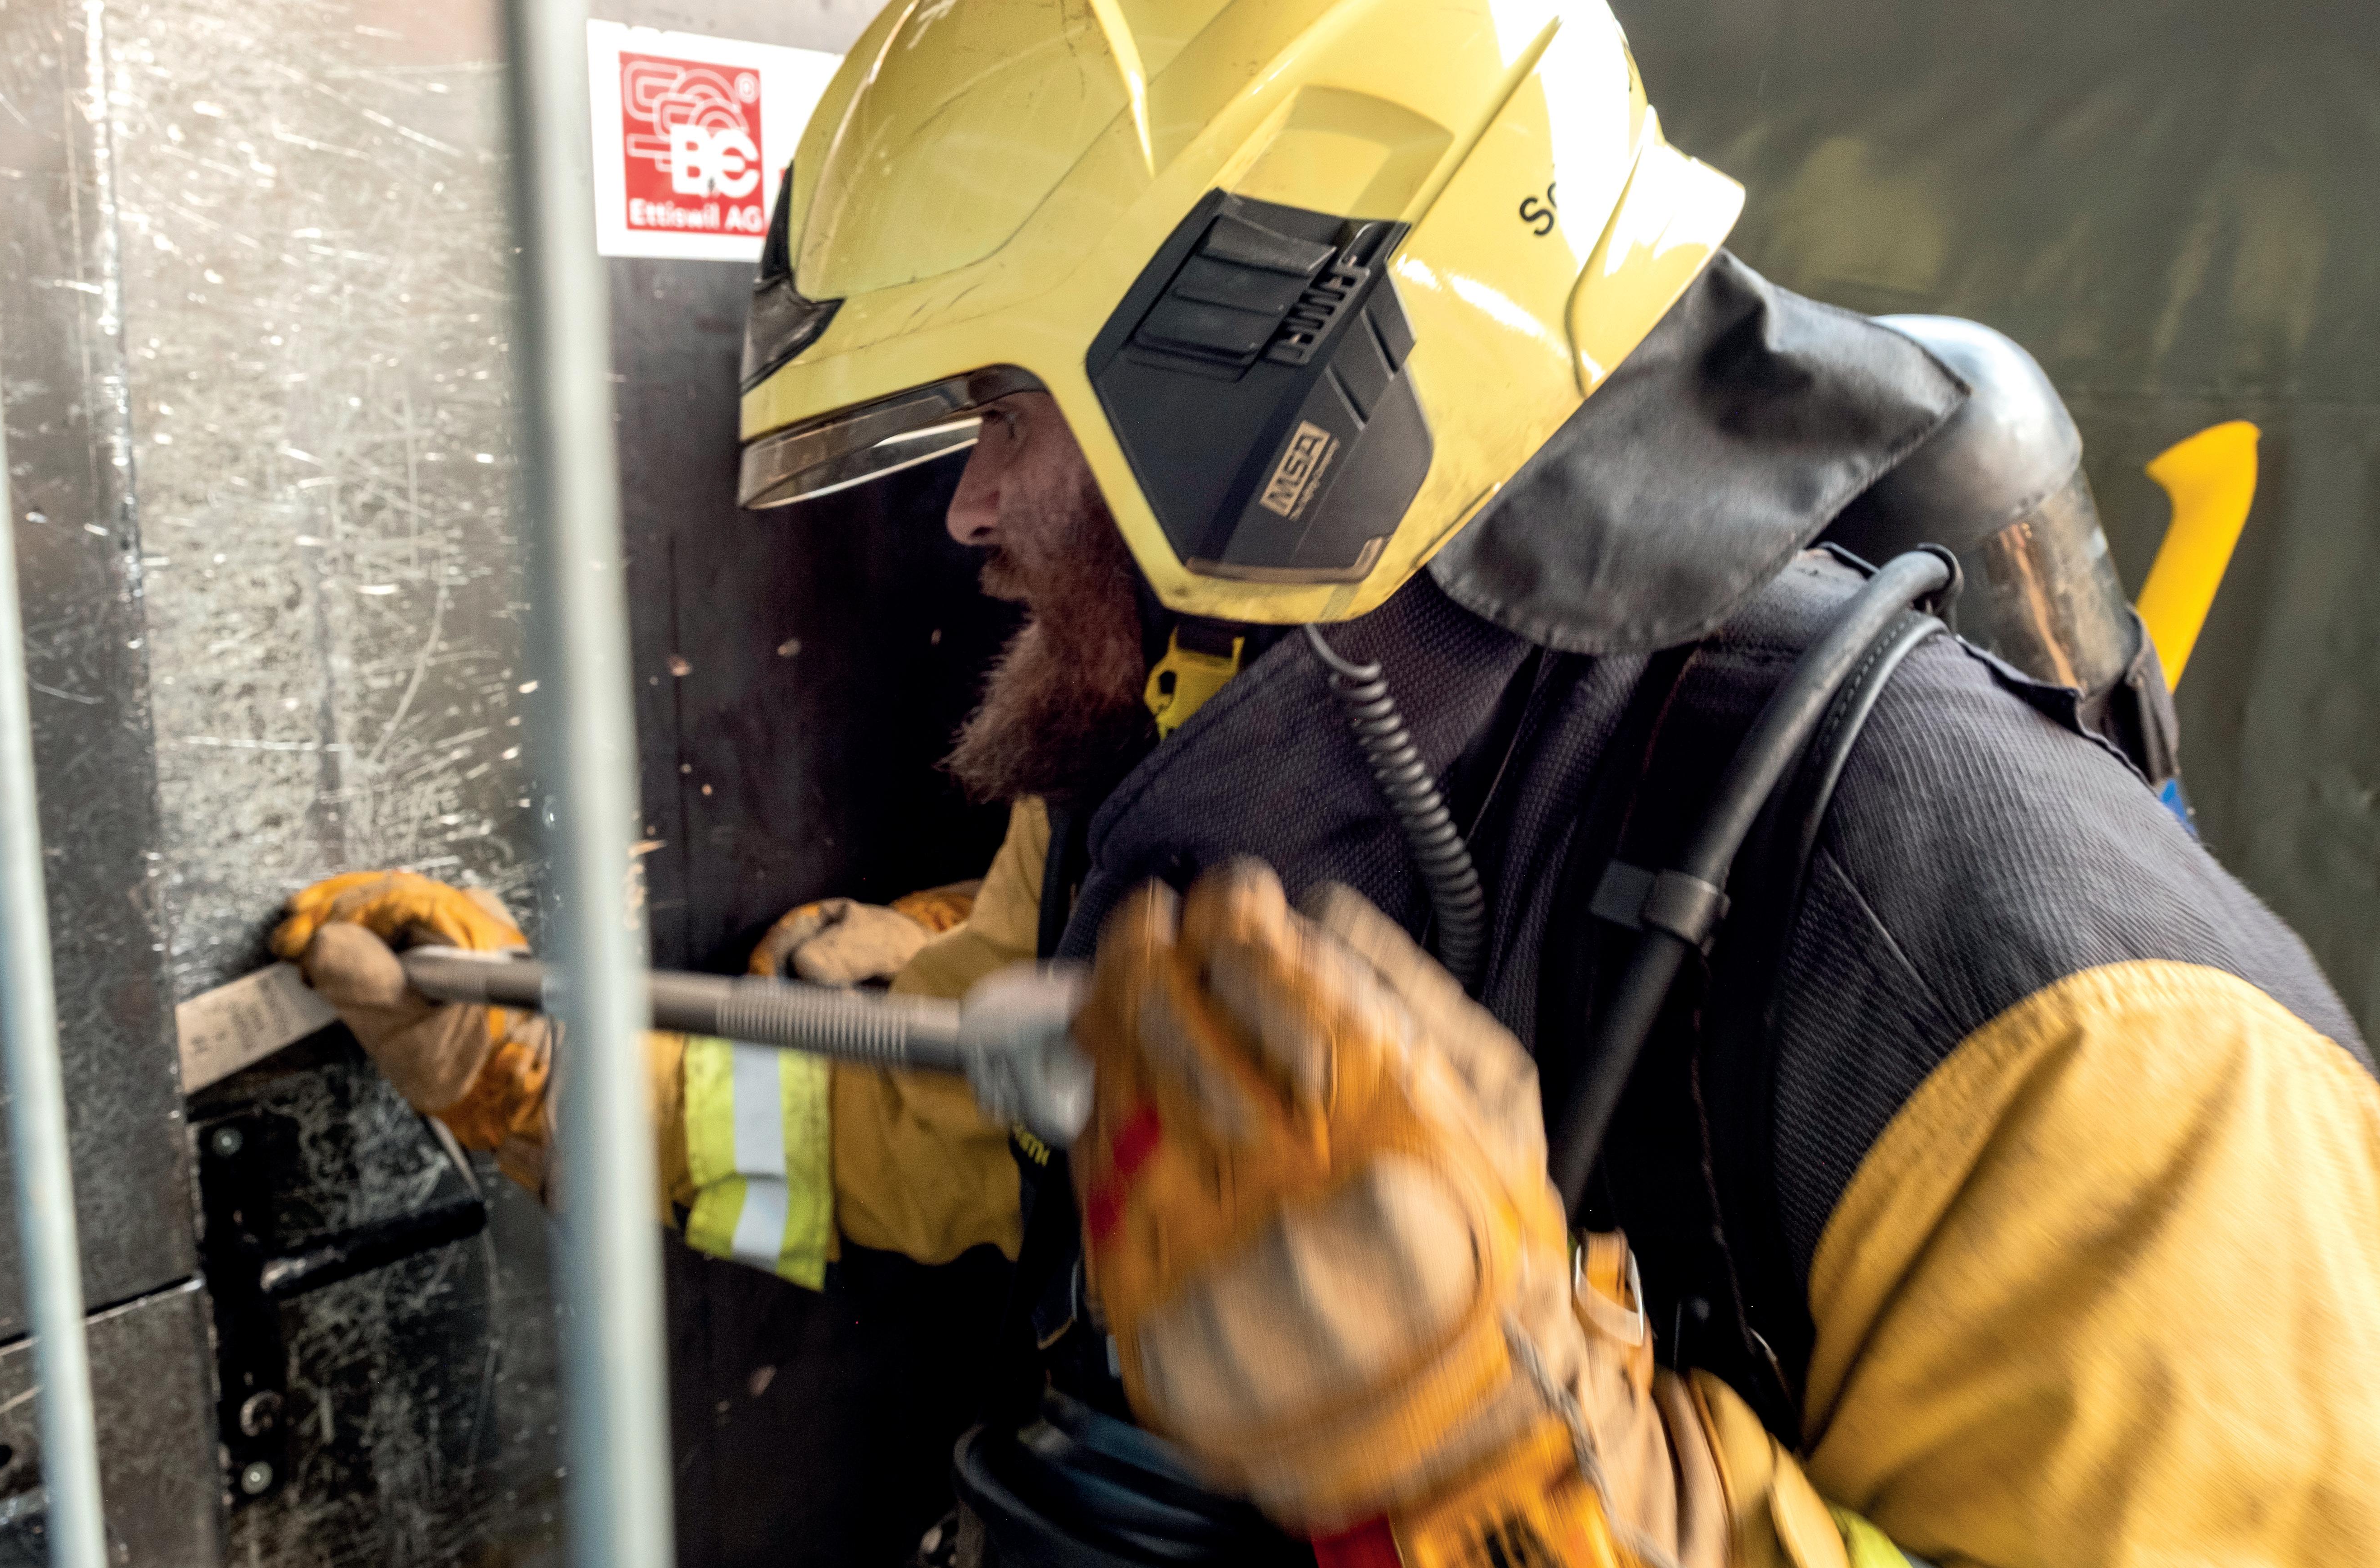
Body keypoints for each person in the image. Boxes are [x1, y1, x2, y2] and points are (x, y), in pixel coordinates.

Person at [272, 2, 2380, 1564]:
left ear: (1282, 369)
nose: (968, 512)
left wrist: (1492, 1448)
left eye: (1005, 405)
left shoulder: (2086, 1026)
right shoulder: (1214, 746)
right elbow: (961, 1119)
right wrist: (511, 1059)